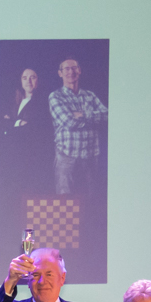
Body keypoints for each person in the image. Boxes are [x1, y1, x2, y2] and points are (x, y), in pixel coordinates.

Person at [48, 58, 107, 202]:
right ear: (60, 73)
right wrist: (92, 118)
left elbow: (107, 116)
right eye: (66, 69)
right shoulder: (55, 96)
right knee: (65, 203)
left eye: (74, 68)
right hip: (66, 157)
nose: (70, 72)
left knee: (92, 202)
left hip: (91, 156)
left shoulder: (90, 96)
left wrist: (82, 115)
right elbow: (68, 122)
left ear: (79, 71)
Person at [0, 68, 53, 193]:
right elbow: (2, 122)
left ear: (38, 81)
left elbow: (34, 128)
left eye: (32, 77)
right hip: (13, 154)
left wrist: (11, 123)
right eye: (24, 78)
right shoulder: (14, 103)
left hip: (31, 155)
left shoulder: (44, 103)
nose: (28, 81)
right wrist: (18, 123)